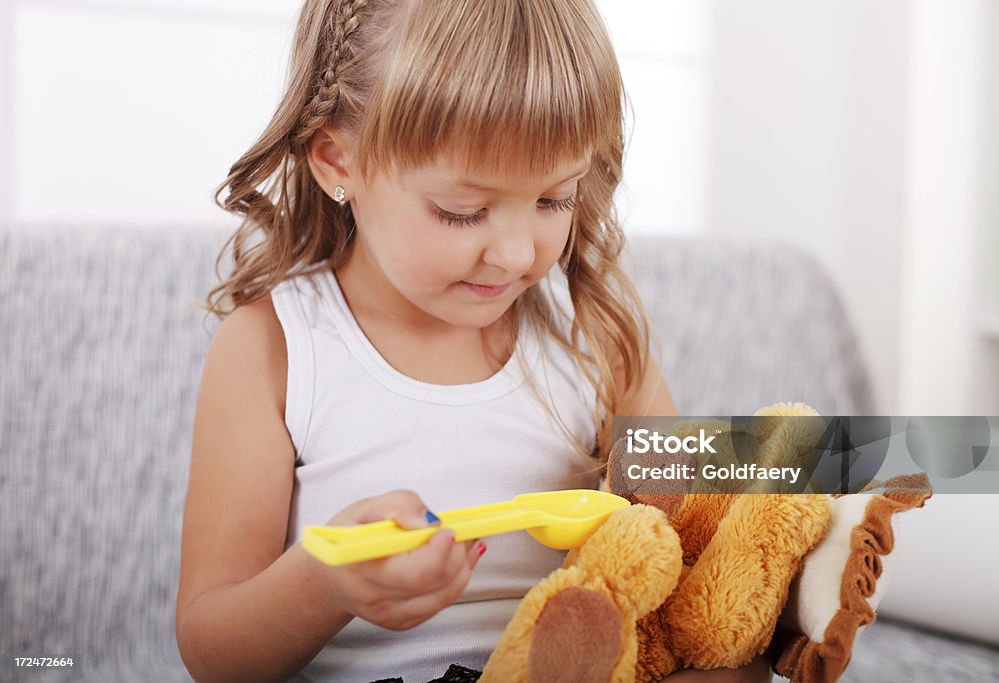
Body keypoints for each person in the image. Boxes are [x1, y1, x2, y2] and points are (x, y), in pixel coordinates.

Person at [175, 1, 768, 681]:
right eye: (464, 212)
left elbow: (691, 529)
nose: (517, 253)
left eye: (554, 200)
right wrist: (325, 583)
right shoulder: (275, 349)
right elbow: (211, 649)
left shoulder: (595, 341)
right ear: (338, 161)